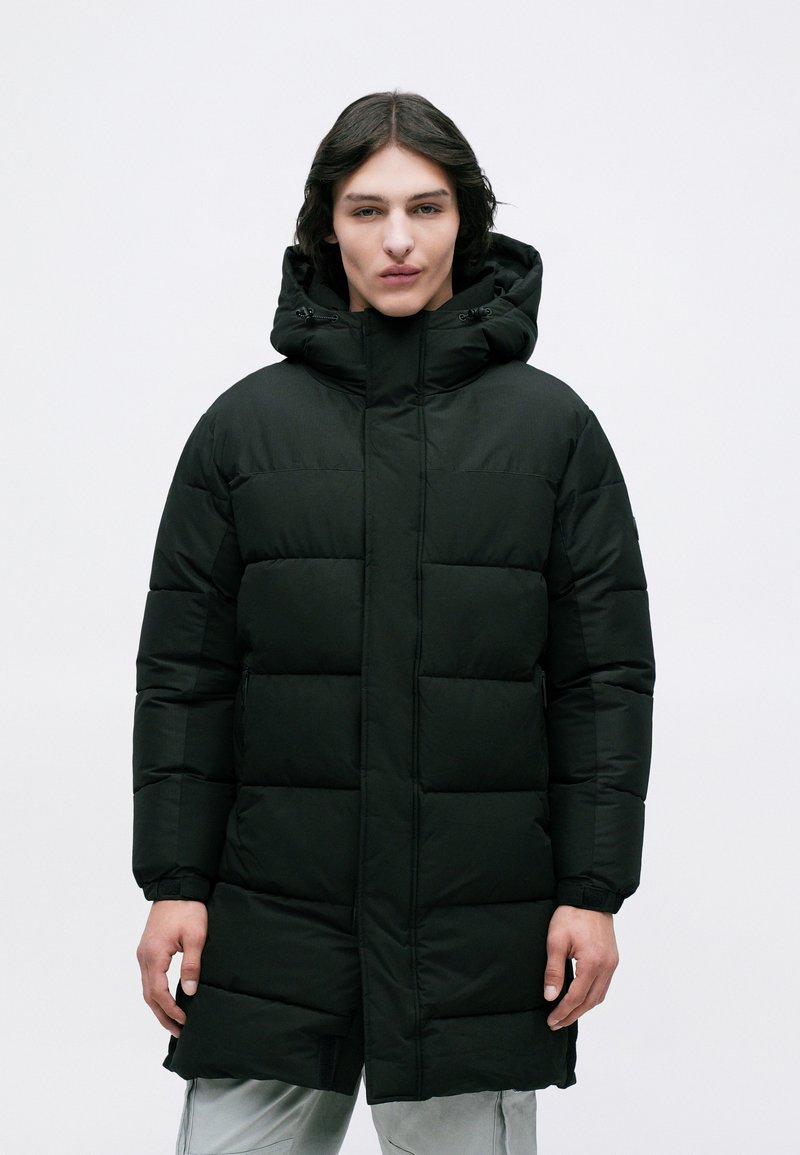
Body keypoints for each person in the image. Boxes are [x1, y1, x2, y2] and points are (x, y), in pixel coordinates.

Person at [132, 90, 656, 1155]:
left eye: (426, 207)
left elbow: (602, 679)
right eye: (367, 210)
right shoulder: (243, 431)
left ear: (468, 220)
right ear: (326, 226)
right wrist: (175, 882)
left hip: (475, 923)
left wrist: (592, 891)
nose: (399, 240)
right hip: (278, 917)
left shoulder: (551, 432)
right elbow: (187, 676)